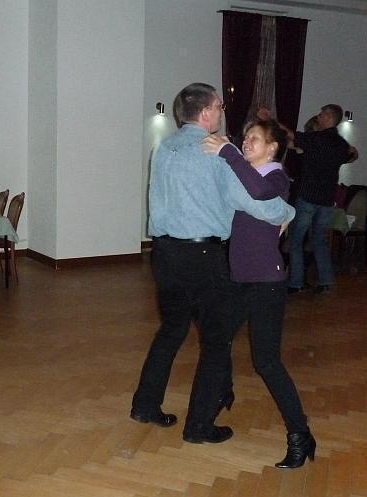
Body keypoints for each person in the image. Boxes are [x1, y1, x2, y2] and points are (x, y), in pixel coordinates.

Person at [130, 83, 295, 444]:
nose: (222, 112)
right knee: (217, 343)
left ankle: (144, 405)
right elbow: (251, 202)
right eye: (219, 106)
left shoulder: (163, 148)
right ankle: (199, 426)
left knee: (171, 331)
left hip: (164, 253)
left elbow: (159, 201)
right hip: (203, 257)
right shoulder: (215, 149)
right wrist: (287, 212)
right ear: (206, 112)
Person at [202, 120, 315, 469]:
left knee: (266, 362)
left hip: (266, 282)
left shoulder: (276, 177)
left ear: (273, 148)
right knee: (216, 340)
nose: (247, 142)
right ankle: (222, 392)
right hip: (238, 279)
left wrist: (229, 153)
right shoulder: (246, 175)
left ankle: (300, 435)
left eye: (255, 139)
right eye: (245, 137)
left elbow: (263, 194)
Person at [259, 105, 355, 294]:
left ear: (329, 117)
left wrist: (270, 120)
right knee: (319, 240)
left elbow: (290, 134)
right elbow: (352, 155)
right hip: (327, 200)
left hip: (309, 197)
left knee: (296, 240)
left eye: (322, 114)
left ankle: (296, 282)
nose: (319, 117)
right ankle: (326, 281)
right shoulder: (341, 144)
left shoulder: (316, 139)